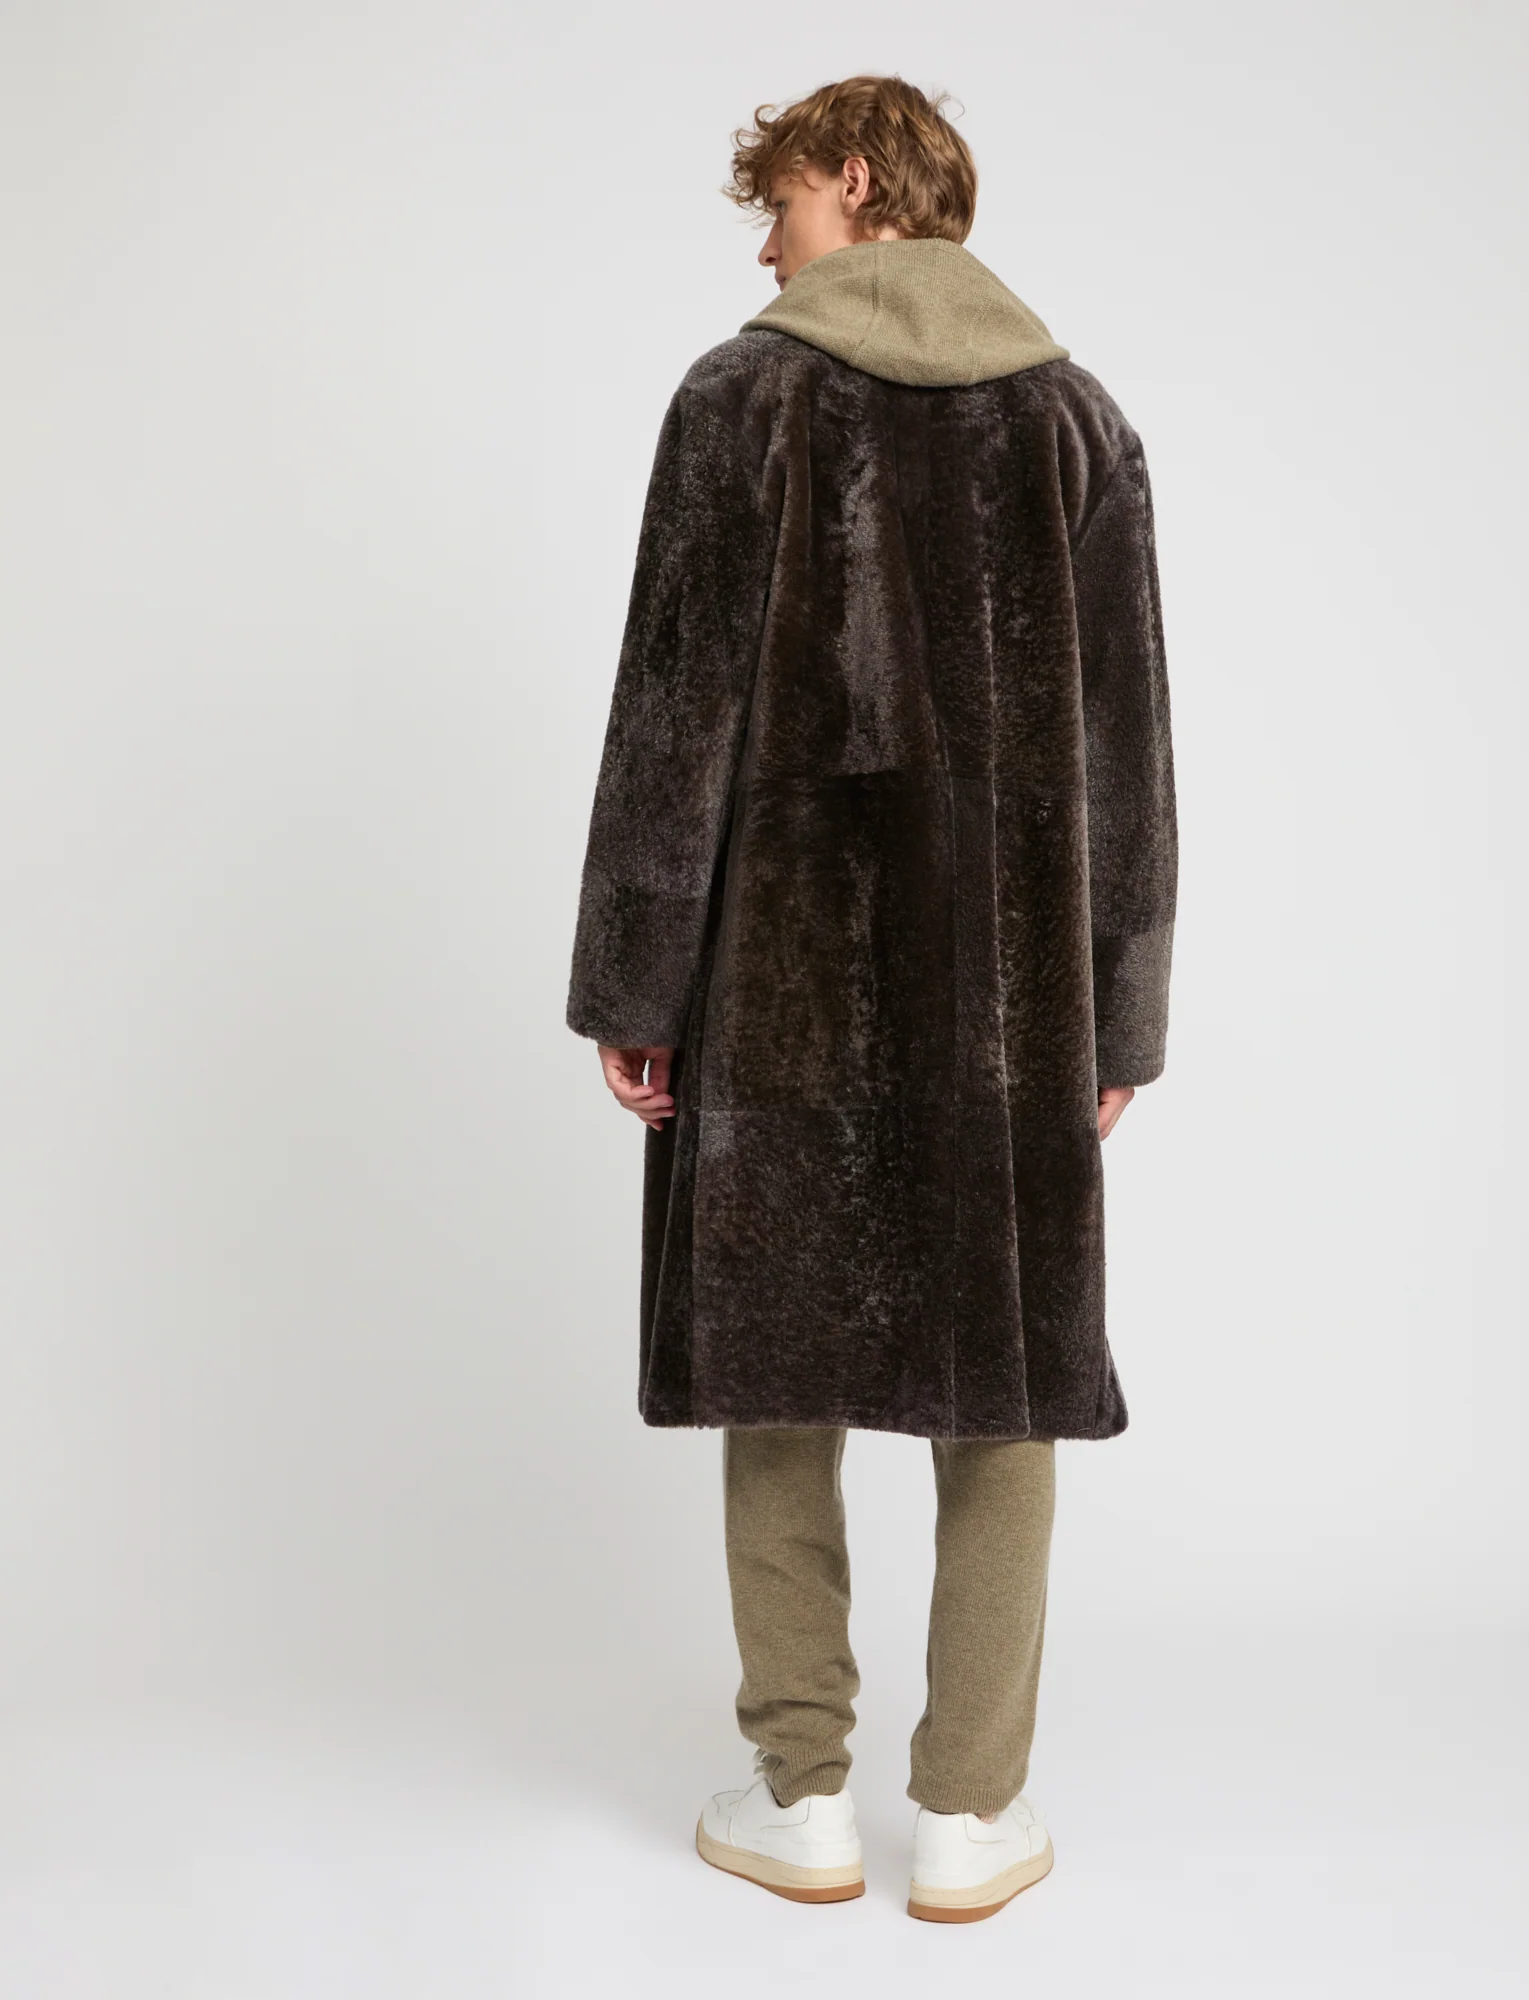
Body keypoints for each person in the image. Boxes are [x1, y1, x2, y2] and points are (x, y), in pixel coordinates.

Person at [565, 75, 1178, 1923]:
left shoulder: (736, 404)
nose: (766, 250)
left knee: (783, 1365)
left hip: (781, 985)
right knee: (1004, 1385)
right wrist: (1119, 1015)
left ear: (856, 180)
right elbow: (1129, 756)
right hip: (1012, 1005)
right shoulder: (1079, 423)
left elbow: (671, 719)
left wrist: (635, 980)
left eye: (778, 207)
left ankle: (802, 1796)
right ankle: (974, 1818)